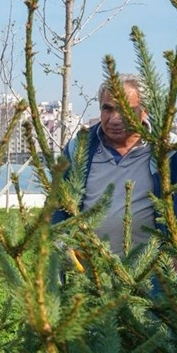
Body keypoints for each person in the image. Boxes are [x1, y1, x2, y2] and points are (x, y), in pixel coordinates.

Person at [52, 74, 157, 253]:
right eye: (108, 109)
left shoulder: (166, 151)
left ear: (145, 111)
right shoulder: (80, 148)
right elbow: (58, 206)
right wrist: (62, 250)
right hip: (89, 266)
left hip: (150, 267)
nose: (115, 119)